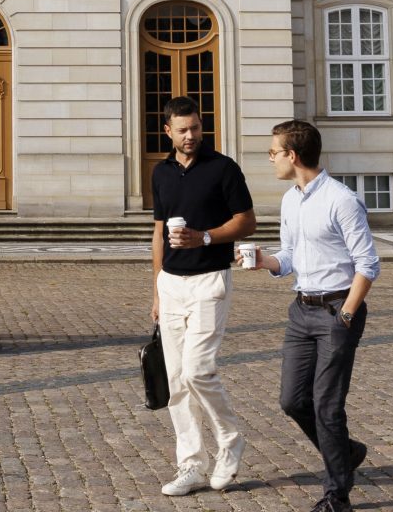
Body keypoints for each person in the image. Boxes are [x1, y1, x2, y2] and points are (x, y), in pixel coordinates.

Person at [266, 119, 380, 512]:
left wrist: (346, 315)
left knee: (327, 406)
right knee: (292, 400)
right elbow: (288, 258)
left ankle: (337, 495)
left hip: (336, 311)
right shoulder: (290, 200)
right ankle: (346, 453)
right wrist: (263, 261)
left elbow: (368, 265)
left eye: (274, 152)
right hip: (301, 311)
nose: (271, 159)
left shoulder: (341, 199)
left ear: (292, 156)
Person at [149, 96, 255, 496]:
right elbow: (159, 232)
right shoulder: (160, 173)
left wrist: (206, 237)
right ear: (168, 132)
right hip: (171, 285)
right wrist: (157, 288)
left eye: (195, 127)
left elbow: (247, 221)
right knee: (176, 382)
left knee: (197, 371)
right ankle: (191, 465)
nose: (191, 135)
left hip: (210, 280)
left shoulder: (223, 168)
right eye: (182, 130)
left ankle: (230, 439)